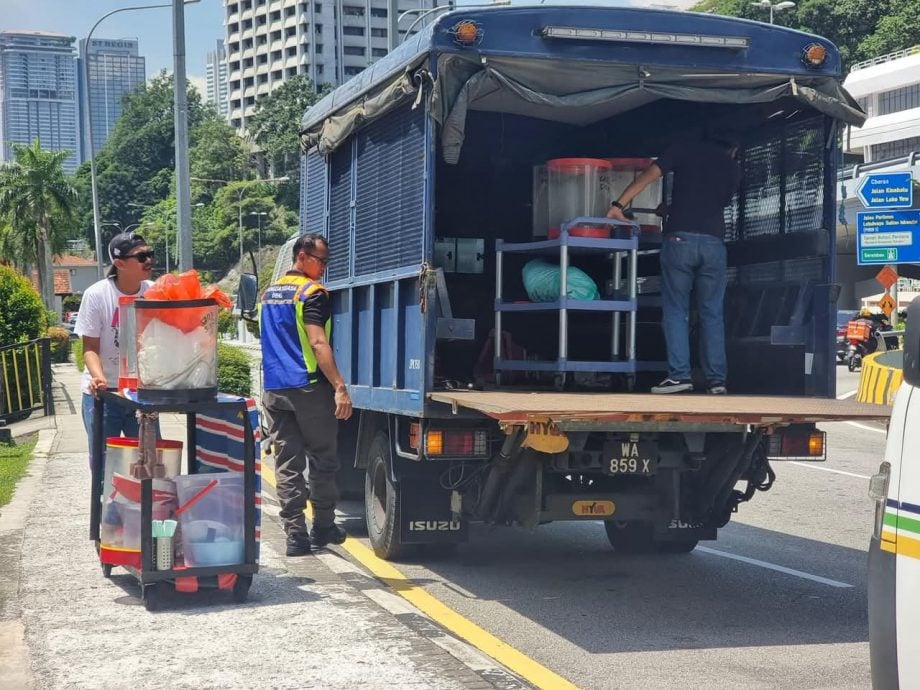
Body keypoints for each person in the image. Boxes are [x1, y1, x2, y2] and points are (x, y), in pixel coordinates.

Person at [608, 135, 741, 395]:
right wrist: (671, 209)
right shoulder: (732, 166)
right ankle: (717, 381)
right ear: (733, 148)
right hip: (714, 245)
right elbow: (711, 203)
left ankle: (680, 376)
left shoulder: (683, 147)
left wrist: (618, 205)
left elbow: (649, 175)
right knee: (712, 314)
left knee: (676, 310)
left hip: (680, 241)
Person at [259, 233, 353, 557]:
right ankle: (323, 526)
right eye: (320, 260)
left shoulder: (268, 294)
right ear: (301, 257)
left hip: (275, 389)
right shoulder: (312, 294)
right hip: (309, 389)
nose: (324, 268)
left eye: (327, 261)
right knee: (323, 460)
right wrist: (339, 386)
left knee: (287, 464)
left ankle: (295, 535)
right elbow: (317, 343)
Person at [74, 232, 155, 466]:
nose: (149, 260)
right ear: (119, 263)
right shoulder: (97, 295)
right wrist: (98, 379)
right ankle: (104, 503)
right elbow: (89, 347)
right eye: (141, 257)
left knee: (148, 463)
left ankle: (144, 503)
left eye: (150, 254)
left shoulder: (153, 292)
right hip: (104, 394)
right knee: (104, 466)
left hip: (142, 395)